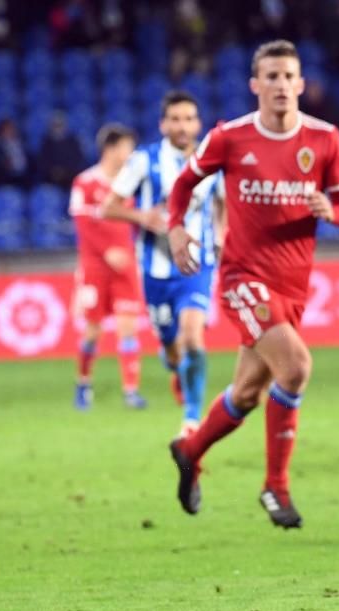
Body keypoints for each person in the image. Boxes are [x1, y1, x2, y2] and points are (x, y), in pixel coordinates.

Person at [165, 40, 339, 529]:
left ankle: (190, 450)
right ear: (255, 85)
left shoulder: (325, 139)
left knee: (248, 392)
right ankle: (276, 487)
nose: (279, 85)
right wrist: (176, 226)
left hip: (293, 285)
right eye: (269, 77)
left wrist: (330, 212)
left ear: (300, 83)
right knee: (295, 367)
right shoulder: (230, 137)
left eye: (287, 76)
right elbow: (184, 183)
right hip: (242, 278)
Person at [102, 90, 225, 439]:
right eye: (175, 119)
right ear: (163, 124)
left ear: (198, 123)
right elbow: (108, 207)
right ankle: (175, 367)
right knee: (173, 350)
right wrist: (142, 216)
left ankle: (191, 418)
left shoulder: (213, 159)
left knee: (193, 337)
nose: (183, 126)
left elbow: (223, 204)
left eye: (189, 118)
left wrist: (222, 234)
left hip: (197, 267)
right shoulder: (145, 160)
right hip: (155, 271)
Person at [69, 123, 146, 411]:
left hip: (125, 266)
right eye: (127, 147)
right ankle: (83, 384)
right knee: (92, 331)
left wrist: (131, 249)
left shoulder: (129, 183)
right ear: (110, 149)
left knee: (128, 327)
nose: (130, 154)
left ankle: (131, 391)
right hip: (94, 268)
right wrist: (106, 252)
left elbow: (137, 220)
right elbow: (82, 224)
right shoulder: (85, 182)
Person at [37, 111, 85, 189]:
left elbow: (76, 159)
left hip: (69, 175)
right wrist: (54, 171)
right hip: (50, 177)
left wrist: (65, 172)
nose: (58, 127)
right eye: (55, 125)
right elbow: (43, 161)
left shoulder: (72, 142)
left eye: (60, 125)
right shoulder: (46, 143)